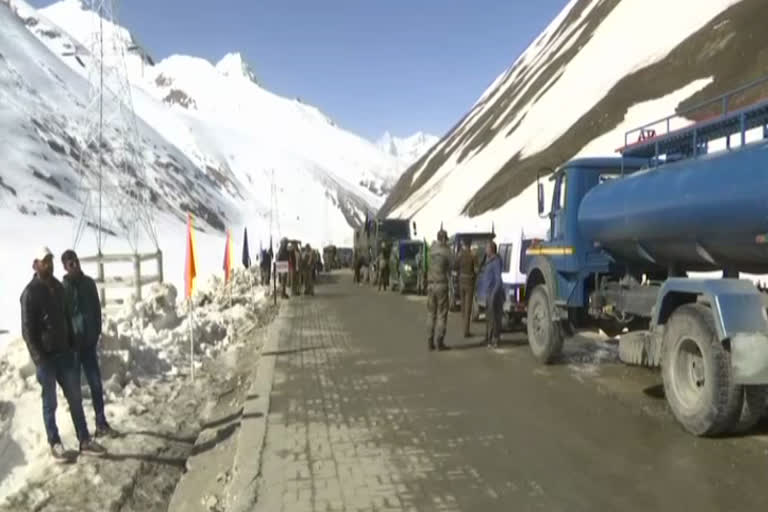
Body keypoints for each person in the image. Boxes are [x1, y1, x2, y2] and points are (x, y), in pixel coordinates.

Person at [21, 247, 106, 461]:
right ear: (35, 265)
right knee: (50, 402)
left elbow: (67, 318)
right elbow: (28, 331)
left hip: (65, 354)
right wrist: (40, 359)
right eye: (43, 261)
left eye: (49, 261)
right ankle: (55, 442)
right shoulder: (30, 293)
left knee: (75, 399)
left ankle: (84, 440)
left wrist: (71, 344)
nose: (47, 265)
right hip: (46, 359)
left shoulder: (59, 288)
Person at [61, 250, 117, 438]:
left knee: (95, 384)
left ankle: (101, 422)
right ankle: (82, 433)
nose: (74, 265)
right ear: (65, 267)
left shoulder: (88, 284)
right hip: (73, 348)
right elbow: (62, 317)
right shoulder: (64, 289)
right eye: (70, 263)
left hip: (89, 344)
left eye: (75, 261)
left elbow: (96, 309)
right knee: (75, 391)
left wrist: (96, 332)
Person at [426, 228, 453, 351]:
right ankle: (439, 341)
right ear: (443, 239)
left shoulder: (431, 250)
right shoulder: (446, 251)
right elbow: (452, 265)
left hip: (431, 285)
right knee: (442, 314)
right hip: (442, 285)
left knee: (431, 314)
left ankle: (429, 340)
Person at [482, 241, 504, 348]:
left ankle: (495, 339)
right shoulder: (489, 261)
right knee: (489, 318)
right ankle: (488, 338)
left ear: (491, 250)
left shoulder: (496, 262)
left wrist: (493, 295)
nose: (485, 250)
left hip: (494, 294)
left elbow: (498, 280)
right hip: (489, 293)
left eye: (487, 248)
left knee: (494, 318)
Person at [456, 239, 477, 338]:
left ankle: (463, 327)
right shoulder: (473, 255)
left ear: (463, 244)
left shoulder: (459, 255)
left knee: (463, 306)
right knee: (468, 307)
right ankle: (466, 330)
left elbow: (455, 266)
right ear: (470, 245)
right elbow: (476, 269)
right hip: (470, 282)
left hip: (461, 281)